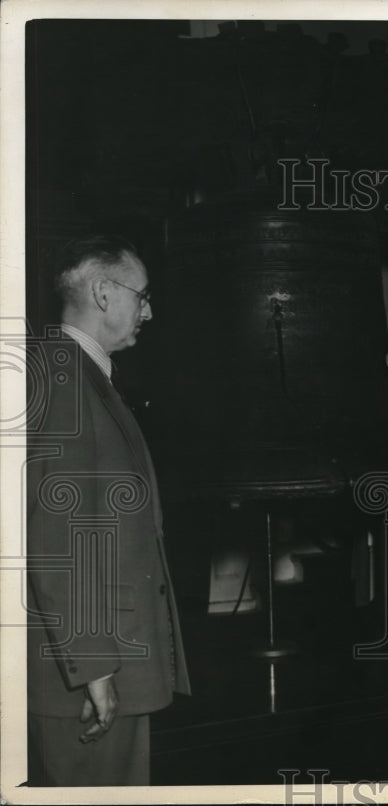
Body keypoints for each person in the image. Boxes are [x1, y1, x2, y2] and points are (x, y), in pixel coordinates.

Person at [26, 235, 190, 786]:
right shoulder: (64, 378)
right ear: (102, 292)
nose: (150, 309)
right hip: (89, 673)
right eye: (141, 295)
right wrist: (94, 668)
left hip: (106, 661)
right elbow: (58, 536)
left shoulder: (81, 377)